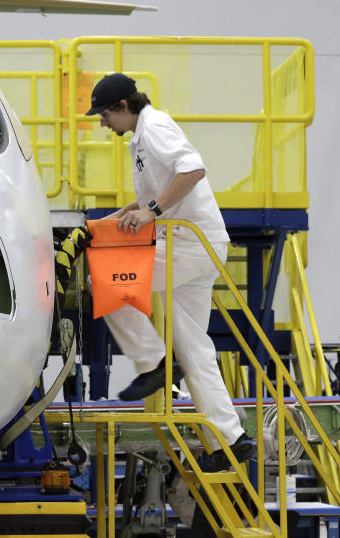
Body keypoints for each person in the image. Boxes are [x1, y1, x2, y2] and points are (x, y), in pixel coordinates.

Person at [85, 73, 254, 472]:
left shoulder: (155, 125)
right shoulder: (141, 137)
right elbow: (145, 201)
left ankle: (153, 363)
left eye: (106, 114)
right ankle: (230, 440)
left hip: (189, 245)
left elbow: (193, 169)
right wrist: (102, 223)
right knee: (194, 348)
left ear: (125, 107)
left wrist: (153, 212)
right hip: (193, 246)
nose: (103, 122)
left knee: (103, 280)